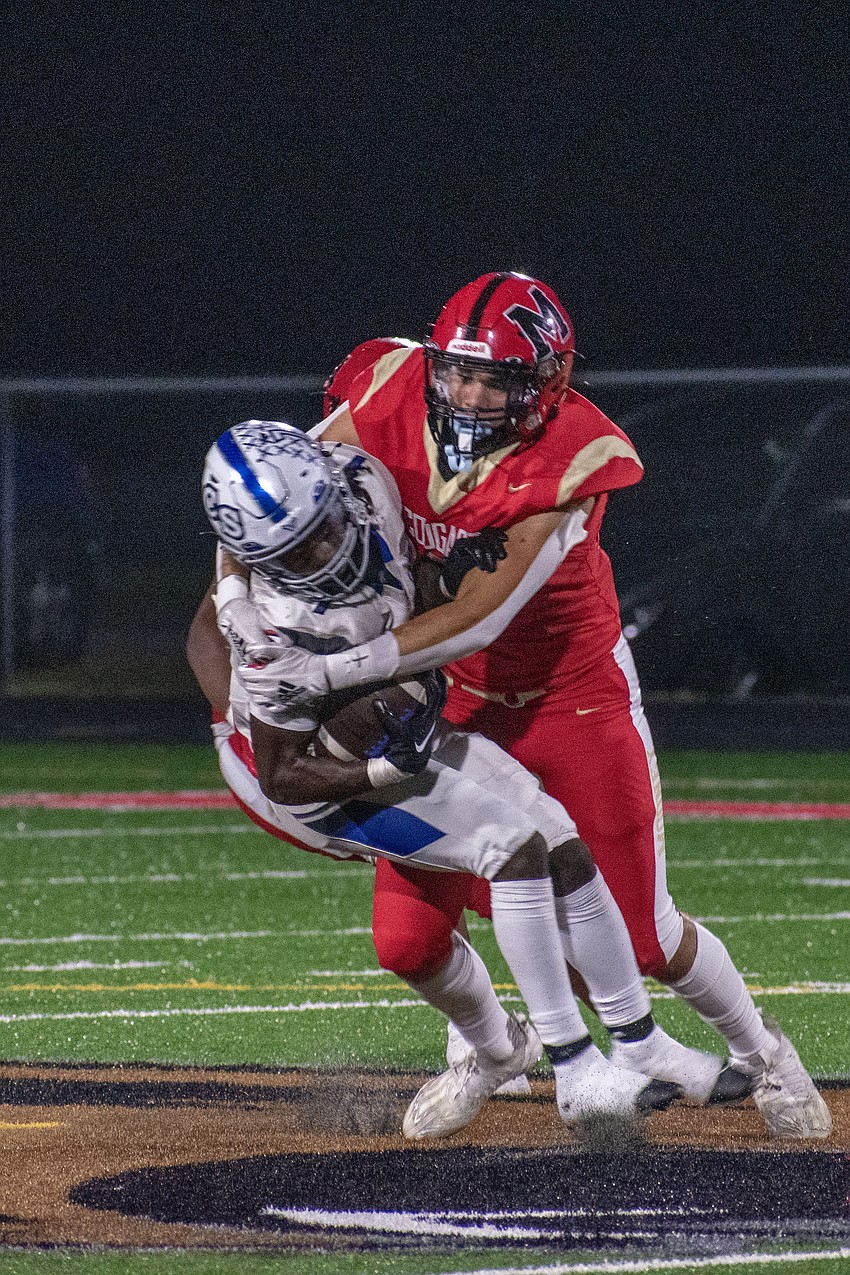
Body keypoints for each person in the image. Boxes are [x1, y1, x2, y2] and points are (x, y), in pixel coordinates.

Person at [228, 273, 831, 1140]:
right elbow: (259, 497)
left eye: (495, 379)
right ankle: (492, 1047)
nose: (470, 395)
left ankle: (766, 1053)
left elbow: (479, 615)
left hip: (571, 700)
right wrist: (232, 596)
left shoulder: (574, 454)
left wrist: (329, 671)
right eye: (458, 372)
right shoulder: (390, 389)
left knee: (645, 936)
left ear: (546, 384)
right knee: (407, 940)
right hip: (452, 702)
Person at [199, 418, 696, 1138]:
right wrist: (372, 761)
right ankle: (572, 1067)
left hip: (395, 732)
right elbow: (283, 775)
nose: (326, 549)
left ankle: (616, 1043)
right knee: (510, 848)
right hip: (315, 780)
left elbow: (409, 585)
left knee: (554, 834)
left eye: (324, 524)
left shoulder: (363, 480)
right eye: (296, 549)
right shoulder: (269, 631)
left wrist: (450, 570)